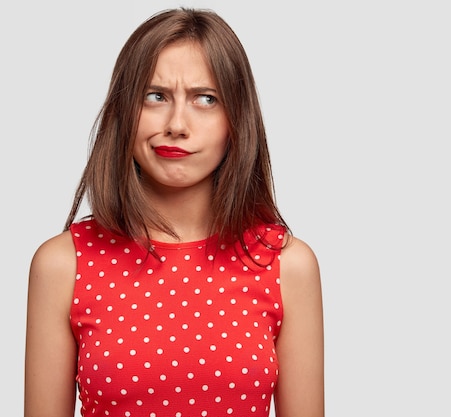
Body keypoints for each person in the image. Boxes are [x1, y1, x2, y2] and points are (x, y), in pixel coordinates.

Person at [24, 7, 324, 417]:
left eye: (206, 99)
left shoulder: (287, 265)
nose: (177, 124)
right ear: (123, 111)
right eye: (155, 96)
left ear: (236, 119)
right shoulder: (62, 264)